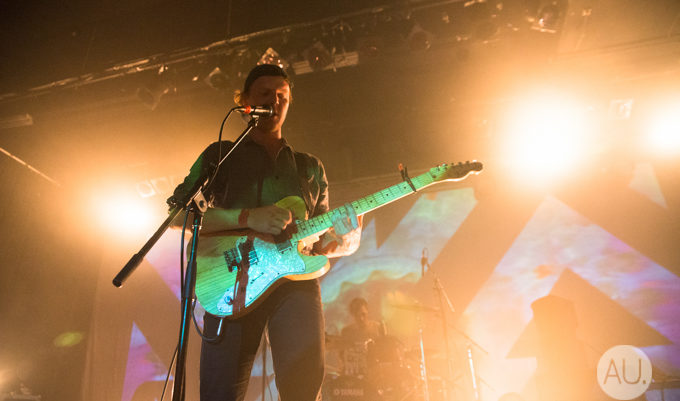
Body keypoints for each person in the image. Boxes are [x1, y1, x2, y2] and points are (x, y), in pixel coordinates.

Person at [168, 64, 362, 401]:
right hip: (232, 280)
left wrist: (342, 241)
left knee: (303, 390)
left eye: (282, 96)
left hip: (296, 283)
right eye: (265, 94)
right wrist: (248, 217)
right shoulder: (221, 154)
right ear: (245, 102)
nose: (275, 101)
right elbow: (178, 214)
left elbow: (319, 241)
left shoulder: (309, 167)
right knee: (220, 393)